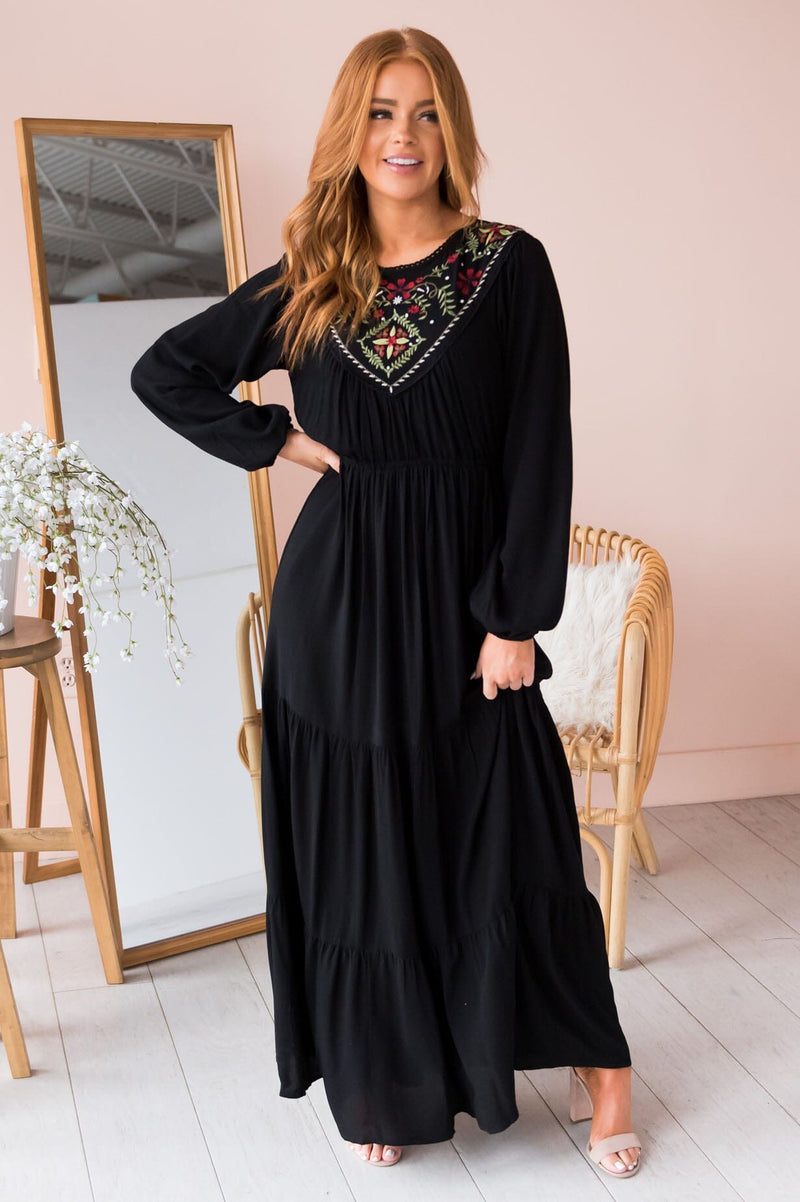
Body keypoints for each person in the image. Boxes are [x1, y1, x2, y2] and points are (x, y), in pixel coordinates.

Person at [129, 26, 642, 1179]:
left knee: (513, 836)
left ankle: (598, 1064)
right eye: (378, 111)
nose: (401, 135)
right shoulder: (312, 275)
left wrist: (512, 616)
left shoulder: (506, 266)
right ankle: (385, 1075)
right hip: (340, 606)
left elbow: (536, 448)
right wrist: (276, 438)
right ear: (347, 129)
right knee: (366, 852)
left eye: (423, 111)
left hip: (466, 600)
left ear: (451, 128)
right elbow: (166, 369)